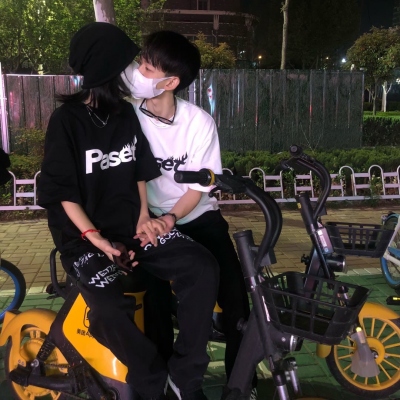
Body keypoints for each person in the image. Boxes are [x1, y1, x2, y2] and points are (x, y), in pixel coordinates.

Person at [37, 22, 219, 400]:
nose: (135, 70)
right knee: (108, 309)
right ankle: (152, 379)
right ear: (107, 68)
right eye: (129, 63)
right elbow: (63, 193)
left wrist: (143, 217)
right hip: (83, 240)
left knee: (202, 267)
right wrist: (96, 239)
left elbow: (138, 171)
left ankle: (185, 376)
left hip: (131, 229)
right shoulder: (66, 121)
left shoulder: (125, 114)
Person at [123, 30, 258, 399]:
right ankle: (170, 381)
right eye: (141, 63)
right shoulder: (128, 116)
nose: (137, 72)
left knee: (236, 300)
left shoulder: (199, 122)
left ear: (170, 82)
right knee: (154, 301)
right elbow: (129, 175)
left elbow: (199, 188)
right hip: (148, 220)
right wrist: (149, 218)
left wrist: (170, 219)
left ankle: (241, 383)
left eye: (147, 68)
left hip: (199, 217)